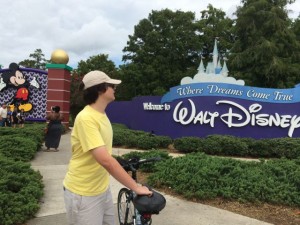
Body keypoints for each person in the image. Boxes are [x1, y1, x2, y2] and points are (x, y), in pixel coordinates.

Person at [63, 71, 152, 225]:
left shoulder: (102, 115)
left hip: (102, 189)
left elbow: (104, 152)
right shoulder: (86, 118)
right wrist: (135, 187)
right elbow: (105, 160)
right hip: (83, 192)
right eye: (111, 85)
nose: (114, 88)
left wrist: (120, 160)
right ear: (100, 89)